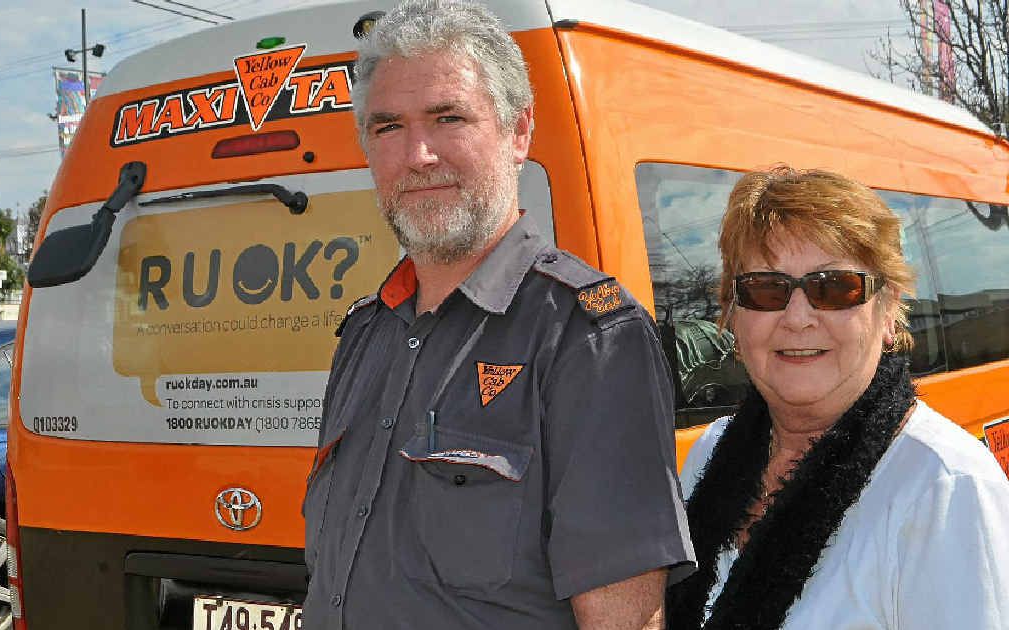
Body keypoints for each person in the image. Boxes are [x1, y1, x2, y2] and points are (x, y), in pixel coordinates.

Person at [302, 1, 695, 628]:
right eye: (387, 128)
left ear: (518, 132)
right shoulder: (364, 334)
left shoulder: (588, 338)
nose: (418, 154)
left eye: (448, 117)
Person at [666, 165, 1009, 630]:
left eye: (835, 288)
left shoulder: (945, 487)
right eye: (766, 289)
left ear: (889, 311)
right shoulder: (710, 452)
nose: (798, 317)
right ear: (731, 314)